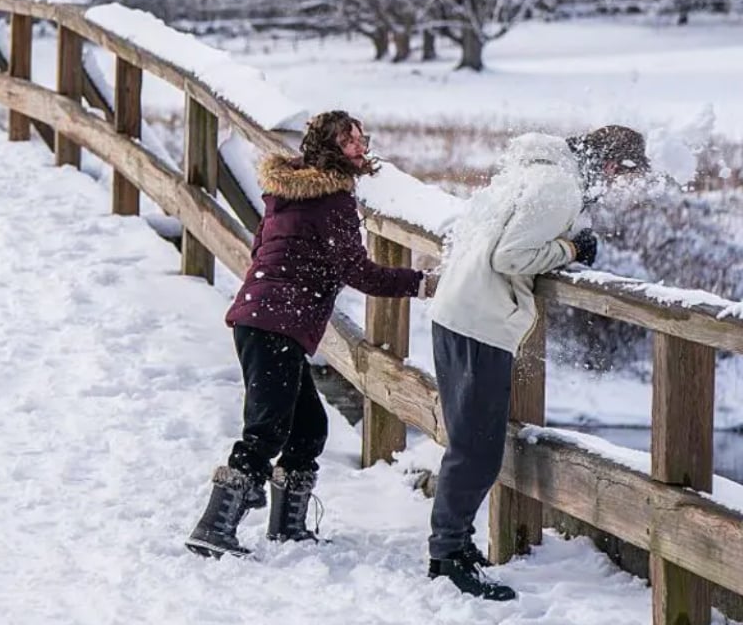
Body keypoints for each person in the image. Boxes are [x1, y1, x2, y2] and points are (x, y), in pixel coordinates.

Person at [185, 110, 437, 559]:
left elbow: (260, 251)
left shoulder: (284, 193)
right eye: (350, 142)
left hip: (259, 319)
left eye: (362, 138)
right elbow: (358, 271)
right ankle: (213, 527)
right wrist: (419, 283)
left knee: (308, 429)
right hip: (276, 324)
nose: (361, 148)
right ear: (329, 151)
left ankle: (287, 528)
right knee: (265, 431)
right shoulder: (333, 202)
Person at [425, 125, 649, 600]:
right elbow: (511, 256)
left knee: (473, 442)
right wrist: (570, 250)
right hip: (479, 320)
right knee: (476, 448)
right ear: (612, 165)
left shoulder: (533, 171)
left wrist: (569, 238)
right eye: (622, 176)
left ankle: (455, 547)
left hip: (457, 309)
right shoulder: (558, 186)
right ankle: (447, 556)